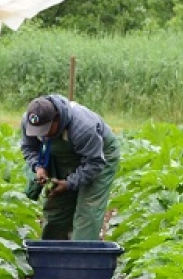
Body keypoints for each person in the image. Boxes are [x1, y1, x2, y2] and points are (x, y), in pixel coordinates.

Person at [19, 94, 120, 241]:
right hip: (64, 154)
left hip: (98, 156)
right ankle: (51, 256)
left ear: (57, 119)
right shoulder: (30, 121)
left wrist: (69, 184)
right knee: (57, 209)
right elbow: (29, 147)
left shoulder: (83, 127)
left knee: (87, 212)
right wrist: (38, 167)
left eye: (45, 129)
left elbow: (94, 163)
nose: (41, 134)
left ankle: (80, 258)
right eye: (37, 130)